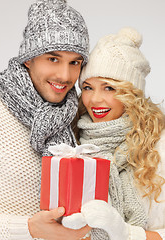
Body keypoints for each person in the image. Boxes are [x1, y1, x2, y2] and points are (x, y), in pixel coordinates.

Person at [0, 0, 91, 239]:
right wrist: (29, 229)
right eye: (53, 59)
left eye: (74, 62)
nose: (65, 76)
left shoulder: (77, 119)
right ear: (28, 59)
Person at [62, 27, 165, 240]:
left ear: (131, 92)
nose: (94, 100)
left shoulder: (159, 146)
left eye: (109, 88)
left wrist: (127, 234)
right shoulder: (73, 143)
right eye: (88, 87)